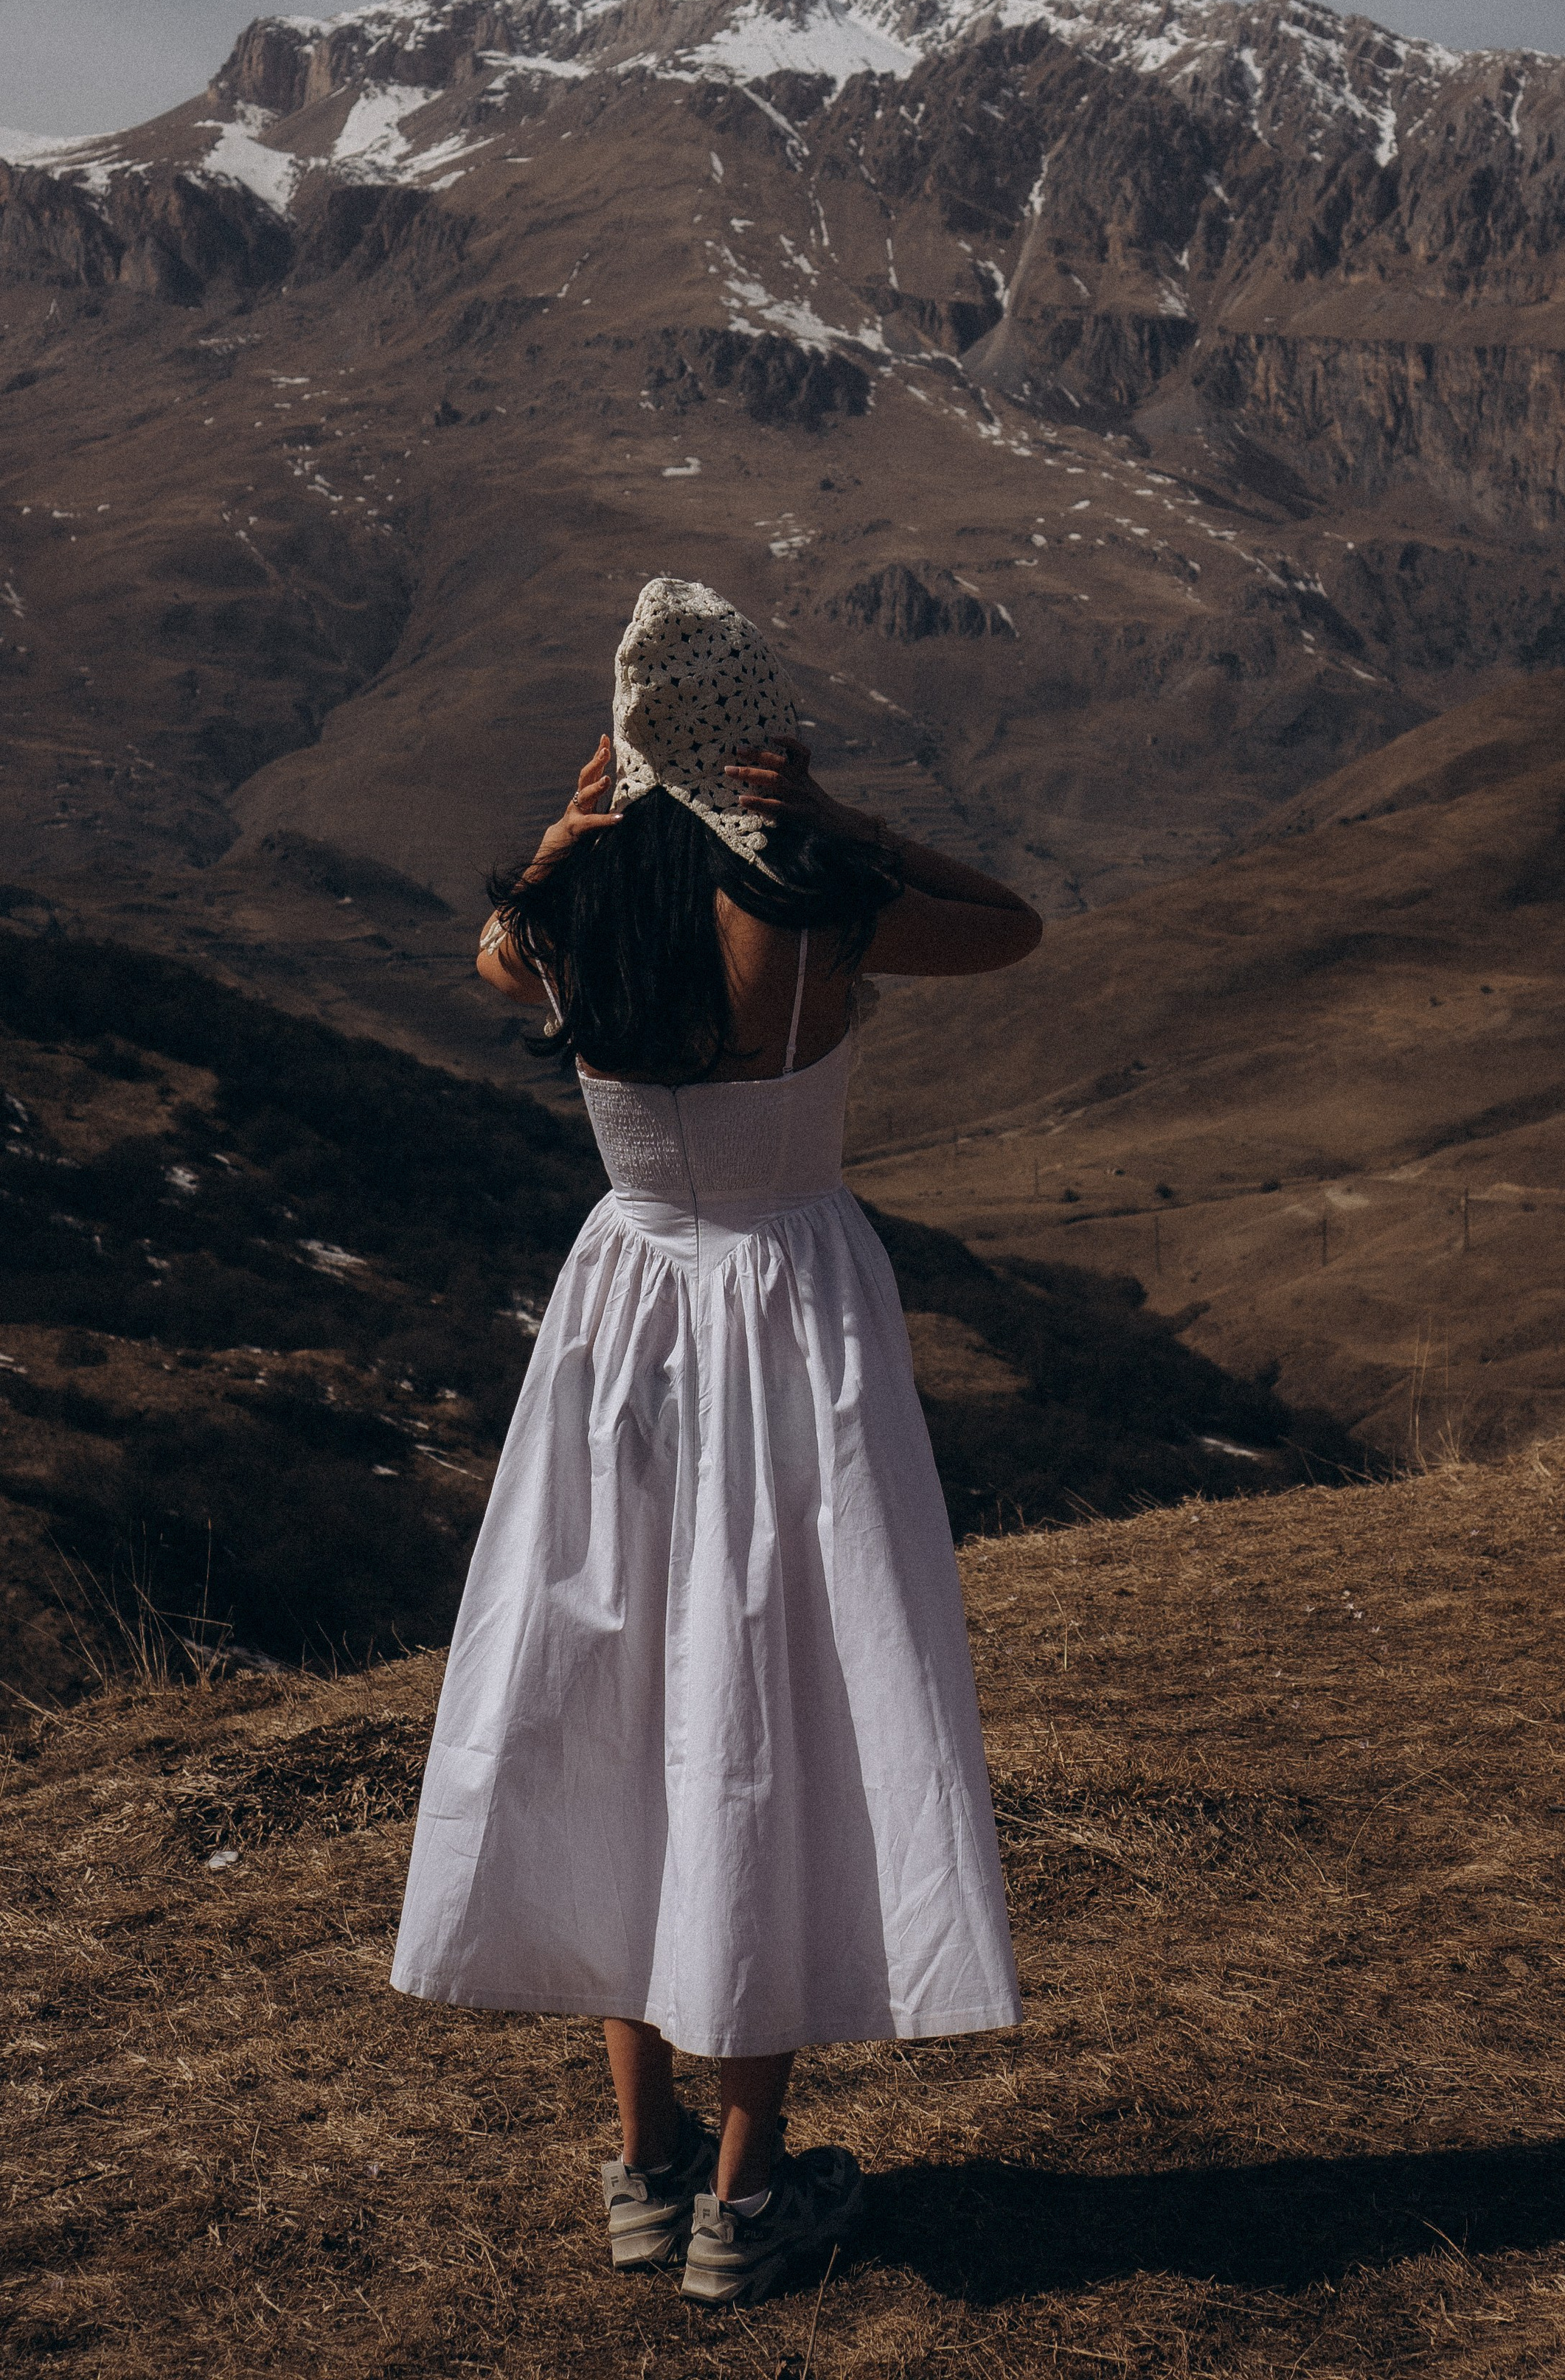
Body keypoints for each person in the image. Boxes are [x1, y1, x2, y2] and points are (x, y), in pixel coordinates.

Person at [390, 577, 1042, 2309]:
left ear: (621, 739)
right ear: (758, 735)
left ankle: (643, 2164)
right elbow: (1011, 927)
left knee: (625, 1715)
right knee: (771, 1711)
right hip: (787, 1309)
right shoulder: (819, 900)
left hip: (625, 1308)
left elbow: (484, 956)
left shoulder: (568, 901)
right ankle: (748, 2195)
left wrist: (562, 823)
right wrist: (833, 812)